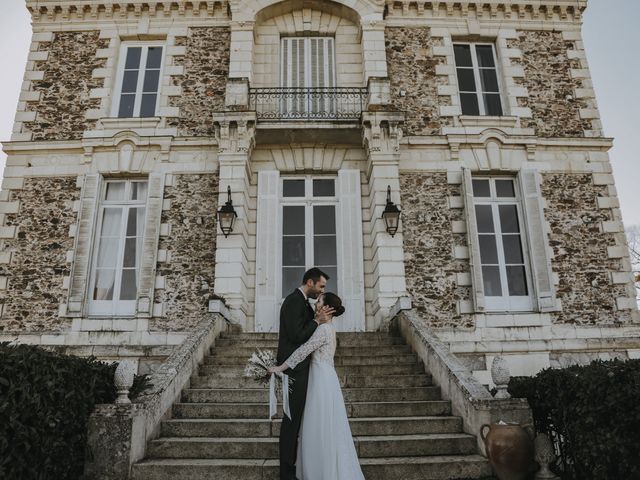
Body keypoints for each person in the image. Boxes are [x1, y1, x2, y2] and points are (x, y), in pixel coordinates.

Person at [270, 292, 365, 480]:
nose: (315, 303)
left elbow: (303, 351)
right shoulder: (329, 328)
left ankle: (321, 472)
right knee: (325, 424)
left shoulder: (322, 330)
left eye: (319, 301)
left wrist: (280, 367)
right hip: (326, 377)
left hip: (320, 380)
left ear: (327, 308)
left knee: (318, 425)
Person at [276, 268, 335, 480]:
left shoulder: (305, 304)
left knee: (297, 421)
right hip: (294, 371)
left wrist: (317, 321)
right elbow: (297, 335)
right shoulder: (293, 301)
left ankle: (295, 466)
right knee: (291, 421)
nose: (322, 292)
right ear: (310, 282)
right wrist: (317, 322)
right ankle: (286, 473)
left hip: (303, 370)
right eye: (321, 286)